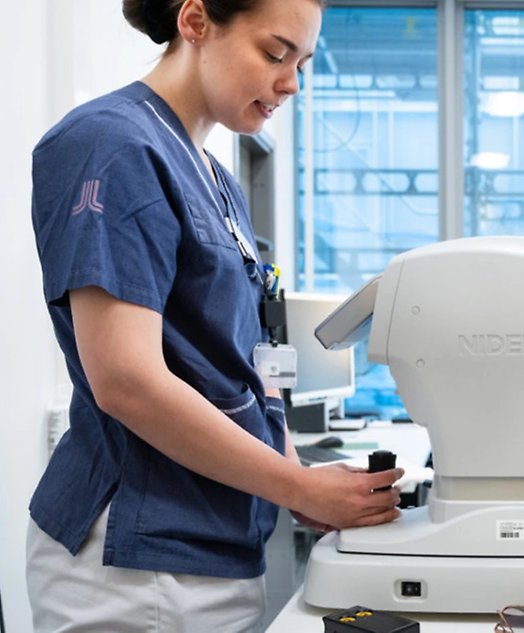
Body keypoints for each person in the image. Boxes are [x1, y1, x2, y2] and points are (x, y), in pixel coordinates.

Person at [26, 1, 404, 631]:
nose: (291, 83)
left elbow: (242, 364)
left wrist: (294, 476)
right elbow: (125, 380)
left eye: (303, 64)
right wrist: (298, 489)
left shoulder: (216, 178)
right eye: (276, 54)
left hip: (214, 546)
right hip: (138, 560)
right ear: (196, 22)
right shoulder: (111, 144)